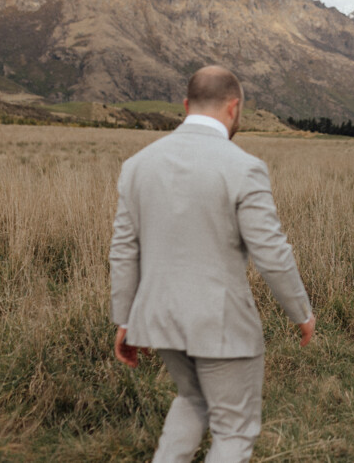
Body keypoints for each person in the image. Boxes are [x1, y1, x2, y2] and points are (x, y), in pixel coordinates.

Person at [110, 65, 315, 461]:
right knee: (234, 432)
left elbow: (123, 250)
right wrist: (301, 312)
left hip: (159, 319)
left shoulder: (137, 165)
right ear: (234, 108)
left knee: (192, 400)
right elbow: (271, 253)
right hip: (221, 323)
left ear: (186, 105)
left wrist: (125, 320)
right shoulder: (243, 166)